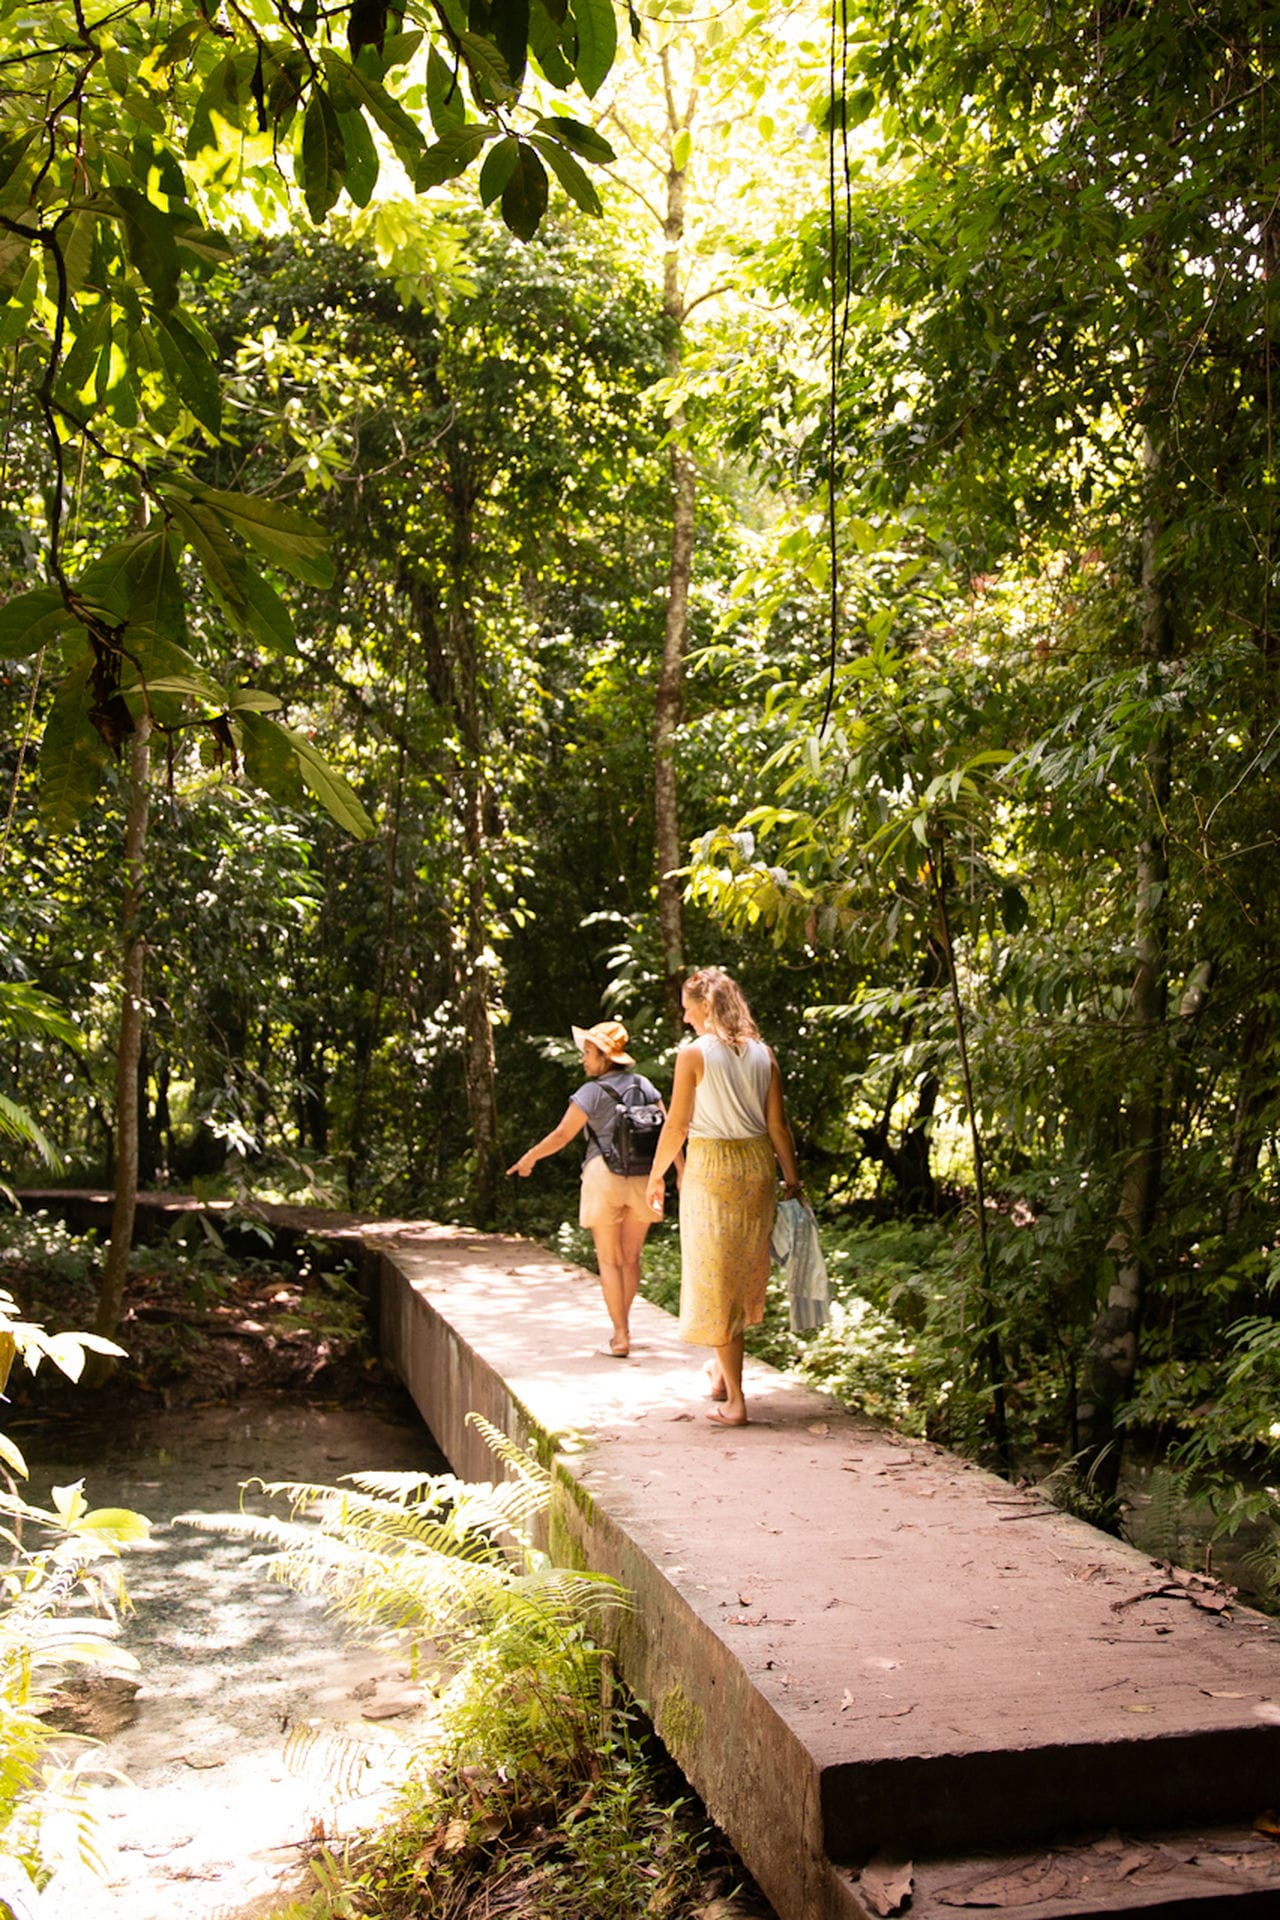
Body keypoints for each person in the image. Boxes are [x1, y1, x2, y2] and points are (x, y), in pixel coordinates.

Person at [644, 968, 801, 1427]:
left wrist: (655, 1177)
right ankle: (719, 1375)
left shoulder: (693, 1055)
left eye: (687, 1005)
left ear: (705, 1007)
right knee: (739, 1275)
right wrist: (792, 1180)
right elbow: (778, 1128)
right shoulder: (763, 1054)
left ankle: (736, 1403)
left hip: (713, 1169)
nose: (683, 1013)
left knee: (715, 1280)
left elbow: (676, 1125)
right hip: (757, 1170)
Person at [507, 1020, 668, 1359]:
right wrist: (676, 1173)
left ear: (604, 1057)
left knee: (609, 1261)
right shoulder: (645, 1086)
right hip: (643, 1176)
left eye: (588, 1053)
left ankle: (620, 1334)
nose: (584, 1059)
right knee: (632, 1258)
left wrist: (529, 1159)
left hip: (602, 1176)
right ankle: (624, 1328)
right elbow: (668, 1131)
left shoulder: (590, 1093)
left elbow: (562, 1135)